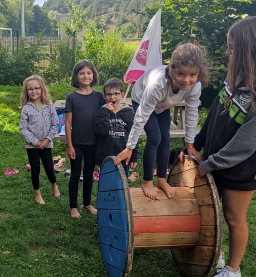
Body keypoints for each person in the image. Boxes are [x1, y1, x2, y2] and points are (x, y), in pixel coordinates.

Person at [183, 16, 256, 277]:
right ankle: (216, 256)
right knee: (211, 210)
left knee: (233, 217)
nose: (228, 51)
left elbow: (248, 141)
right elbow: (216, 117)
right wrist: (196, 142)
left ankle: (233, 270)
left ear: (249, 48)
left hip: (242, 167)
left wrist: (209, 163)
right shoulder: (235, 77)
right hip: (215, 161)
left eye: (232, 47)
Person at [114, 43, 209, 200]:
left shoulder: (195, 86)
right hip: (143, 98)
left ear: (198, 73)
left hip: (163, 105)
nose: (186, 80)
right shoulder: (158, 85)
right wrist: (130, 147)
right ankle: (147, 181)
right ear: (170, 69)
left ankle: (162, 180)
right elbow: (141, 117)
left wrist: (190, 144)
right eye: (180, 74)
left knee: (165, 139)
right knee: (155, 137)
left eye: (192, 74)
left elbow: (192, 113)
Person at [64, 59, 104, 218]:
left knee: (89, 174)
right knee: (75, 175)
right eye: (82, 73)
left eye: (89, 73)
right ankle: (73, 206)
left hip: (94, 143)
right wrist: (69, 145)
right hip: (77, 143)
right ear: (76, 76)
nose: (85, 76)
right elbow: (67, 123)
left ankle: (87, 203)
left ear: (93, 75)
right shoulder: (71, 97)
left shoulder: (99, 97)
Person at [19, 75, 61, 205]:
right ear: (26, 91)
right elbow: (23, 128)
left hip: (46, 144)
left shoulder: (49, 106)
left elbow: (55, 124)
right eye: (30, 89)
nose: (34, 91)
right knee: (35, 169)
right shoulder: (26, 108)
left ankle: (54, 185)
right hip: (32, 146)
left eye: (36, 88)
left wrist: (47, 140)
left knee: (49, 168)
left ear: (42, 89)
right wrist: (35, 142)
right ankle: (37, 194)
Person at [94, 78, 139, 176]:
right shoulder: (101, 113)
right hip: (105, 158)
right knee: (106, 185)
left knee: (122, 185)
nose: (112, 97)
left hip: (123, 156)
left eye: (116, 94)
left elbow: (134, 135)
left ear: (122, 95)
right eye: (109, 94)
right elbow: (101, 131)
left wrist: (134, 156)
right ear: (104, 96)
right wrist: (107, 112)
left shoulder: (129, 113)